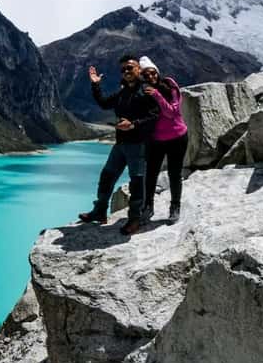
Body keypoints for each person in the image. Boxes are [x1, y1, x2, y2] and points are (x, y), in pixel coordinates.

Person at [78, 54, 159, 235]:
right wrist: (95, 84)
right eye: (123, 69)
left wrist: (133, 124)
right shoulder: (123, 92)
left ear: (138, 69)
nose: (126, 71)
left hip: (139, 145)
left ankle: (135, 218)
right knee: (107, 177)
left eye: (130, 67)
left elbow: (155, 116)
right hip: (121, 144)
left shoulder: (147, 90)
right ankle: (100, 211)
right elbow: (104, 103)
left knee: (137, 183)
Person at [139, 56, 188, 222]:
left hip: (177, 137)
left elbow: (172, 113)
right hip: (155, 140)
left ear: (157, 72)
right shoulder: (143, 91)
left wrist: (157, 95)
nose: (151, 77)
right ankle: (148, 206)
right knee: (151, 174)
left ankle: (175, 207)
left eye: (152, 73)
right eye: (146, 75)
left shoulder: (170, 87)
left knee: (175, 174)